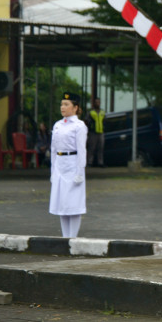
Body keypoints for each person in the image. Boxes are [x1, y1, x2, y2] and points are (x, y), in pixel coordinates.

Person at [49, 92, 88, 238]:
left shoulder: (79, 126)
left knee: (73, 203)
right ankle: (65, 238)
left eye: (66, 104)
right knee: (62, 204)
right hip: (60, 165)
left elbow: (82, 150)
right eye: (61, 104)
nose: (62, 107)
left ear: (75, 107)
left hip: (73, 164)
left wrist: (79, 172)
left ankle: (73, 237)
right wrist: (53, 171)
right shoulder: (58, 125)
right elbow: (53, 149)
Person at [86, 97, 105, 167]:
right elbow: (87, 121)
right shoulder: (90, 112)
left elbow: (105, 120)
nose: (97, 103)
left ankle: (100, 162)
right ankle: (89, 162)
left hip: (101, 132)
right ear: (94, 103)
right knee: (91, 148)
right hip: (93, 132)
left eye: (98, 102)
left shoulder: (102, 112)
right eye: (96, 102)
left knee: (101, 148)